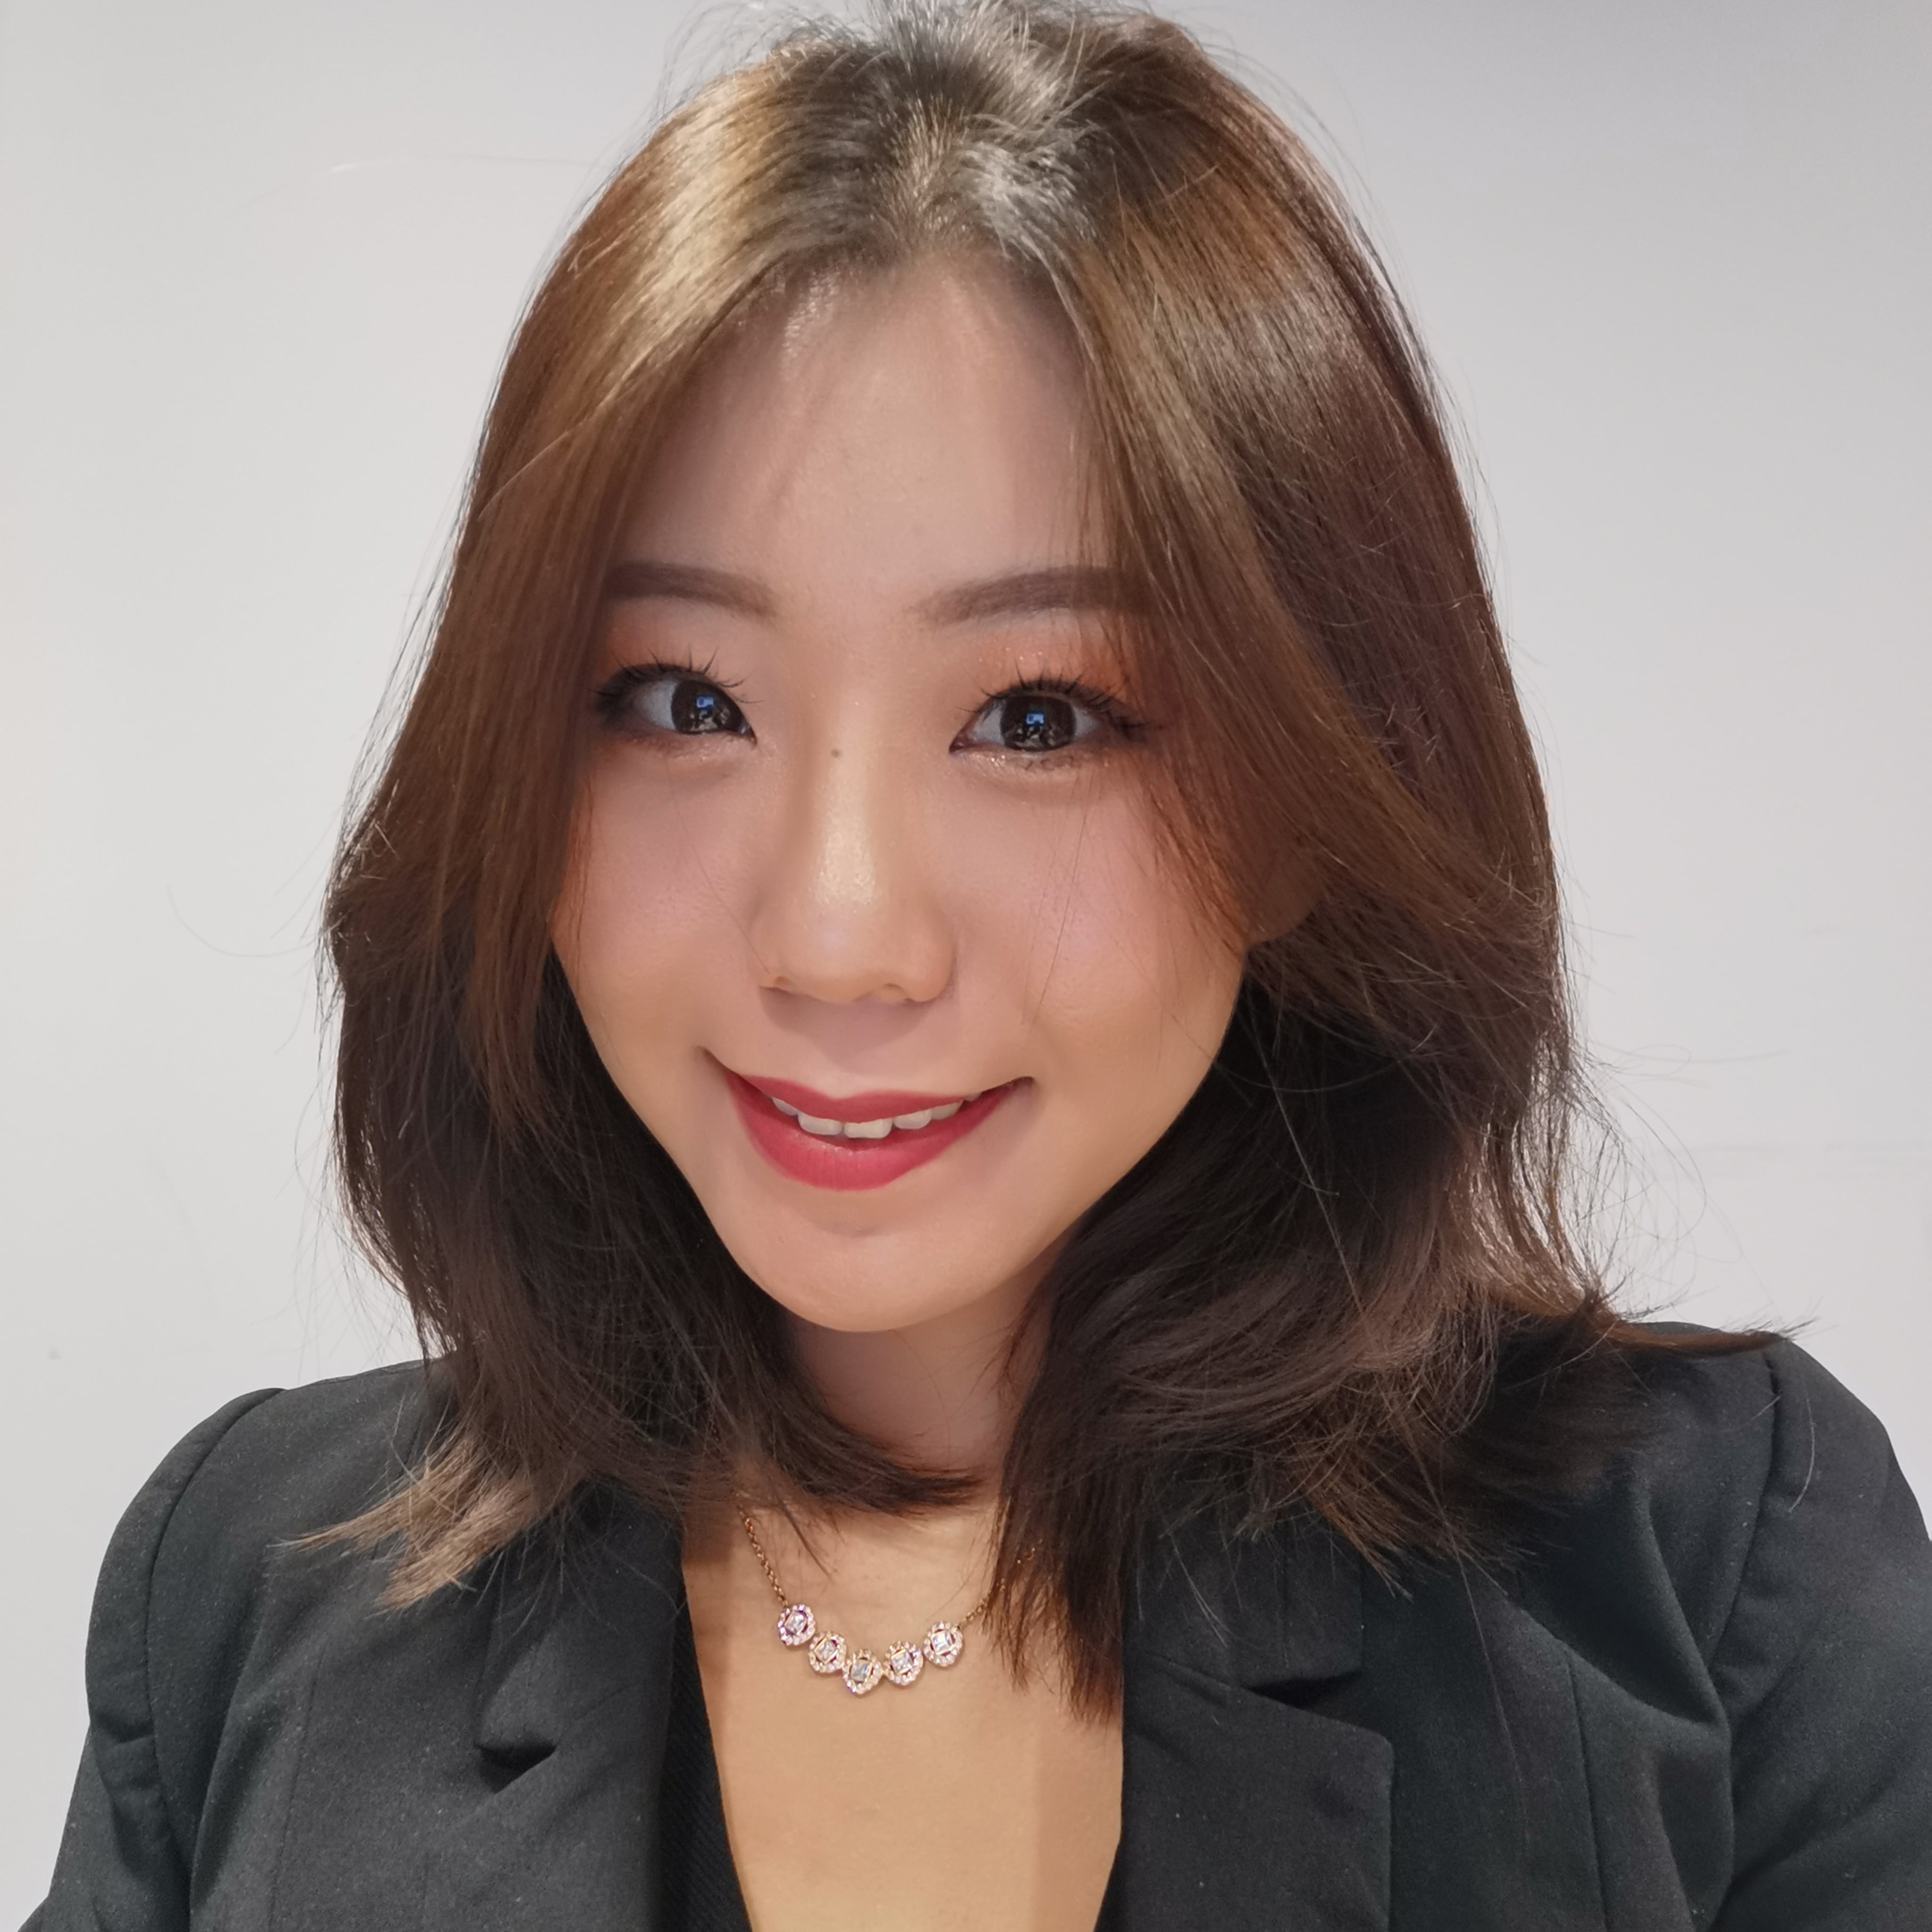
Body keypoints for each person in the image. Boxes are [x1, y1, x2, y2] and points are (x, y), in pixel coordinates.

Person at [29, 3, 1932, 1927]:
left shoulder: (1705, 1575)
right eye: (682, 699)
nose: (839, 936)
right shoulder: (254, 1591)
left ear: (1314, 798)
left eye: (1041, 717)